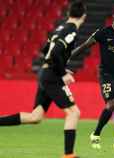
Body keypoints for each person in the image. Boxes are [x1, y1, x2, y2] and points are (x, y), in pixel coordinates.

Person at [0, 1, 86, 158]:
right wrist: (62, 73)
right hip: (52, 76)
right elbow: (55, 53)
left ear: (68, 14)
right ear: (84, 16)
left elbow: (46, 50)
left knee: (36, 117)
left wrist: (56, 67)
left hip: (45, 74)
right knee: (74, 112)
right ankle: (69, 155)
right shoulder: (71, 30)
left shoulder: (58, 28)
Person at [66, 8, 114, 149]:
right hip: (106, 75)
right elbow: (85, 46)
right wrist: (66, 57)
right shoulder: (103, 33)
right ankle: (96, 134)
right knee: (112, 105)